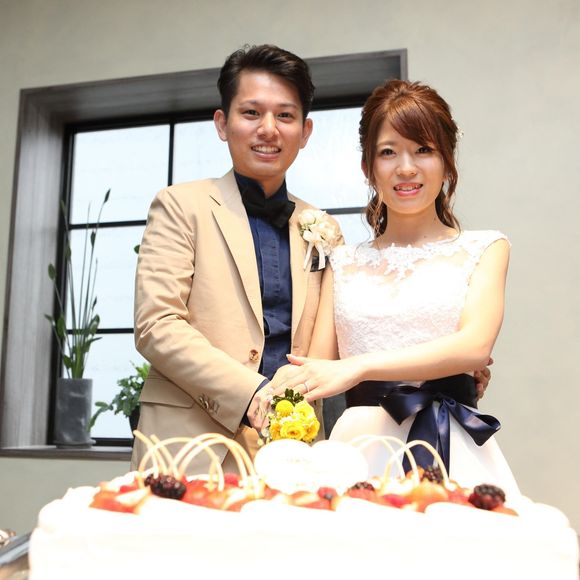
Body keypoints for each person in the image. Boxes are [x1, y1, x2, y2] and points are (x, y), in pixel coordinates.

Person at [273, 79, 519, 496]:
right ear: (368, 167)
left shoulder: (486, 248)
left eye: (423, 149)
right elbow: (316, 366)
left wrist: (360, 366)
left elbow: (475, 347)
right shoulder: (343, 261)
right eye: (388, 152)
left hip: (450, 440)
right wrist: (281, 390)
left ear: (447, 161)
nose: (406, 168)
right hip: (357, 449)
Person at [131, 44, 341, 473]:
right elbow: (157, 324)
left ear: (305, 132)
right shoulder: (180, 205)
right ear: (222, 123)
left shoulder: (324, 227)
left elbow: (342, 334)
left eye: (285, 115)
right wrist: (253, 393)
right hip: (190, 446)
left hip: (295, 449)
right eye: (251, 113)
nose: (269, 129)